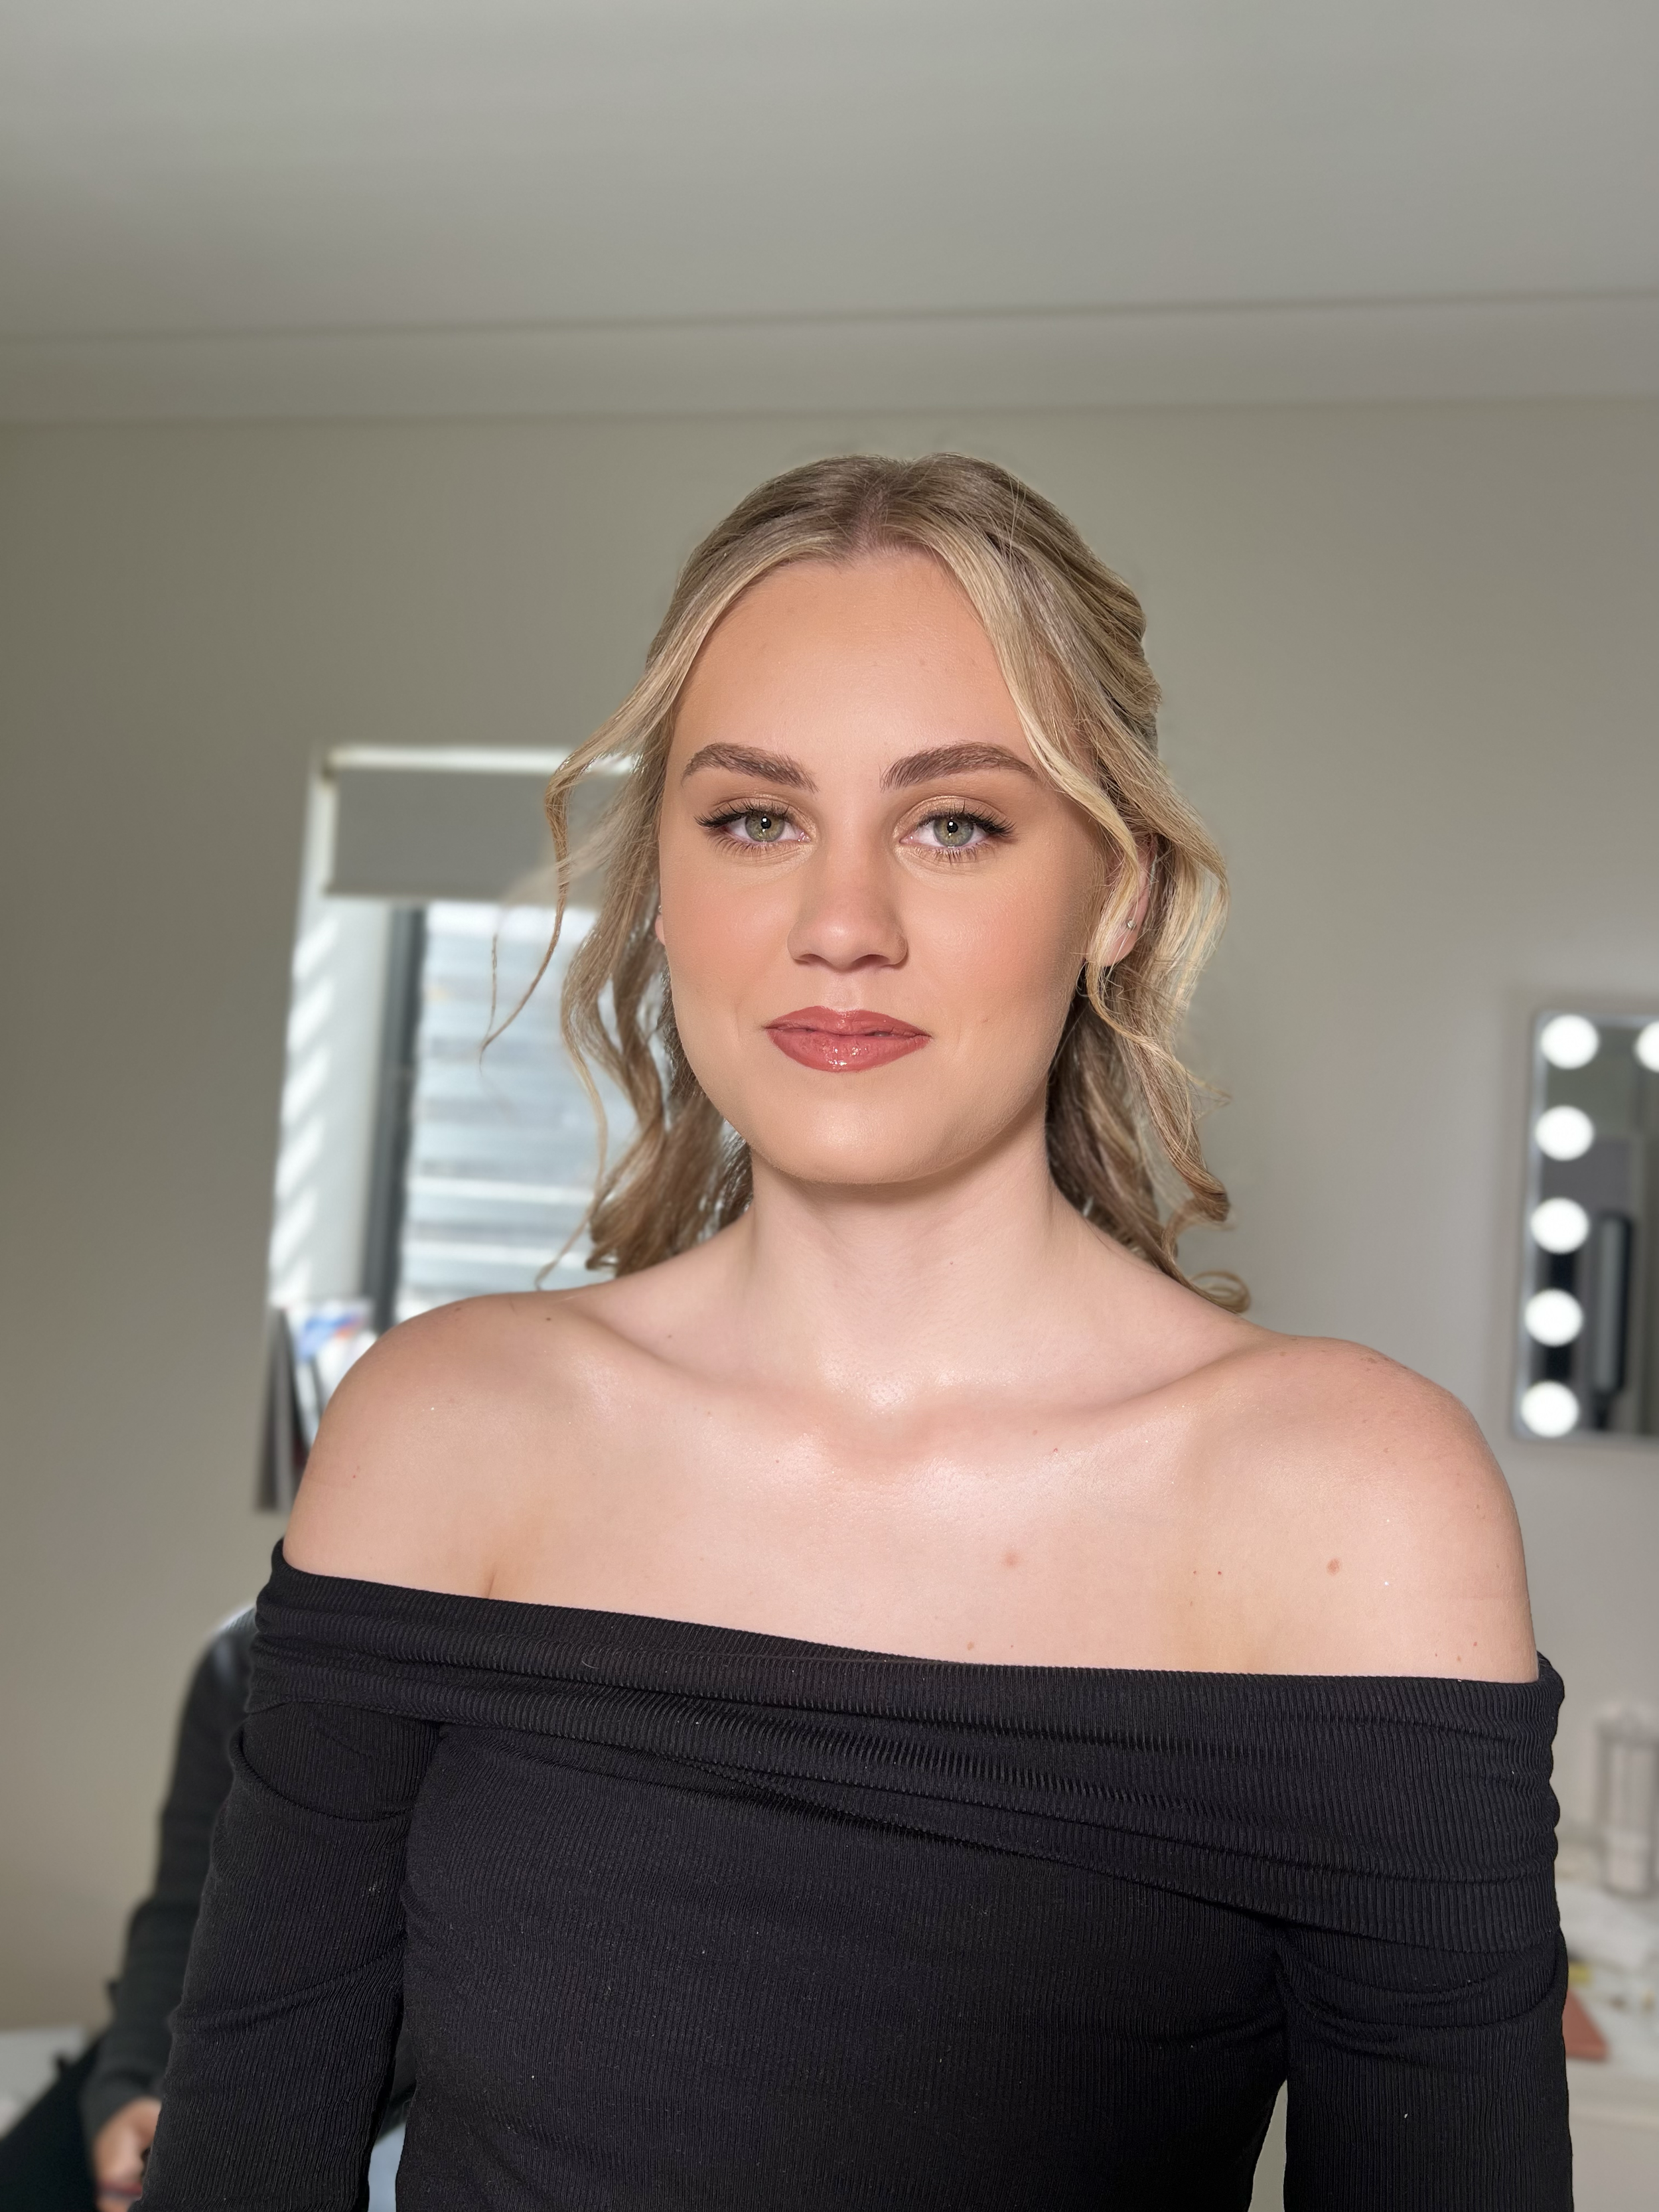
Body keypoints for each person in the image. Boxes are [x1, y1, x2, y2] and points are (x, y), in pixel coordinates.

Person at [141, 454, 1568, 2209]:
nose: (839, 927)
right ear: (662, 877)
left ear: (1112, 892)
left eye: (953, 820)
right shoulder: (440, 1431)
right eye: (754, 817)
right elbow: (242, 2159)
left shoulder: (1350, 1503)